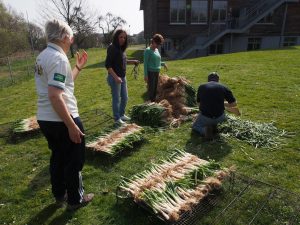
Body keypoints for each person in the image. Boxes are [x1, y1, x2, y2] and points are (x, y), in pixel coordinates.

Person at [34, 19, 94, 210]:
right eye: (70, 36)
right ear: (62, 37)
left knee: (58, 157)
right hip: (61, 118)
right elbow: (55, 95)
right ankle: (75, 200)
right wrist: (71, 125)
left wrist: (77, 68)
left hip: (46, 119)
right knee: (75, 159)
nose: (71, 40)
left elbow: (62, 86)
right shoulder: (59, 59)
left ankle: (60, 194)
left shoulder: (43, 56)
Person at [105, 29, 139, 125]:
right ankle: (117, 119)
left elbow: (122, 61)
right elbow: (108, 65)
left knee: (125, 97)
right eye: (121, 37)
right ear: (116, 37)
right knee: (116, 99)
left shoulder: (121, 49)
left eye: (124, 37)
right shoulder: (112, 48)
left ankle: (121, 114)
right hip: (114, 78)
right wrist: (116, 77)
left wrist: (133, 61)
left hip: (122, 77)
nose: (123, 39)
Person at [192, 72, 239, 139]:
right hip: (220, 118)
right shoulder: (224, 87)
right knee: (219, 117)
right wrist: (221, 103)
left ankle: (205, 131)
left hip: (206, 117)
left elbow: (199, 103)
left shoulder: (201, 87)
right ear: (218, 80)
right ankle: (214, 126)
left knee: (196, 126)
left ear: (208, 80)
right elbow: (234, 104)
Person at [144, 34, 168, 102]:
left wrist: (163, 64)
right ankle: (151, 103)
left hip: (157, 72)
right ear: (153, 41)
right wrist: (146, 75)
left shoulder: (156, 50)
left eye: (159, 44)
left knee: (155, 89)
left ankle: (153, 102)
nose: (158, 45)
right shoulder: (147, 51)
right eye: (157, 43)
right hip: (151, 73)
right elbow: (145, 64)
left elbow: (157, 61)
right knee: (151, 90)